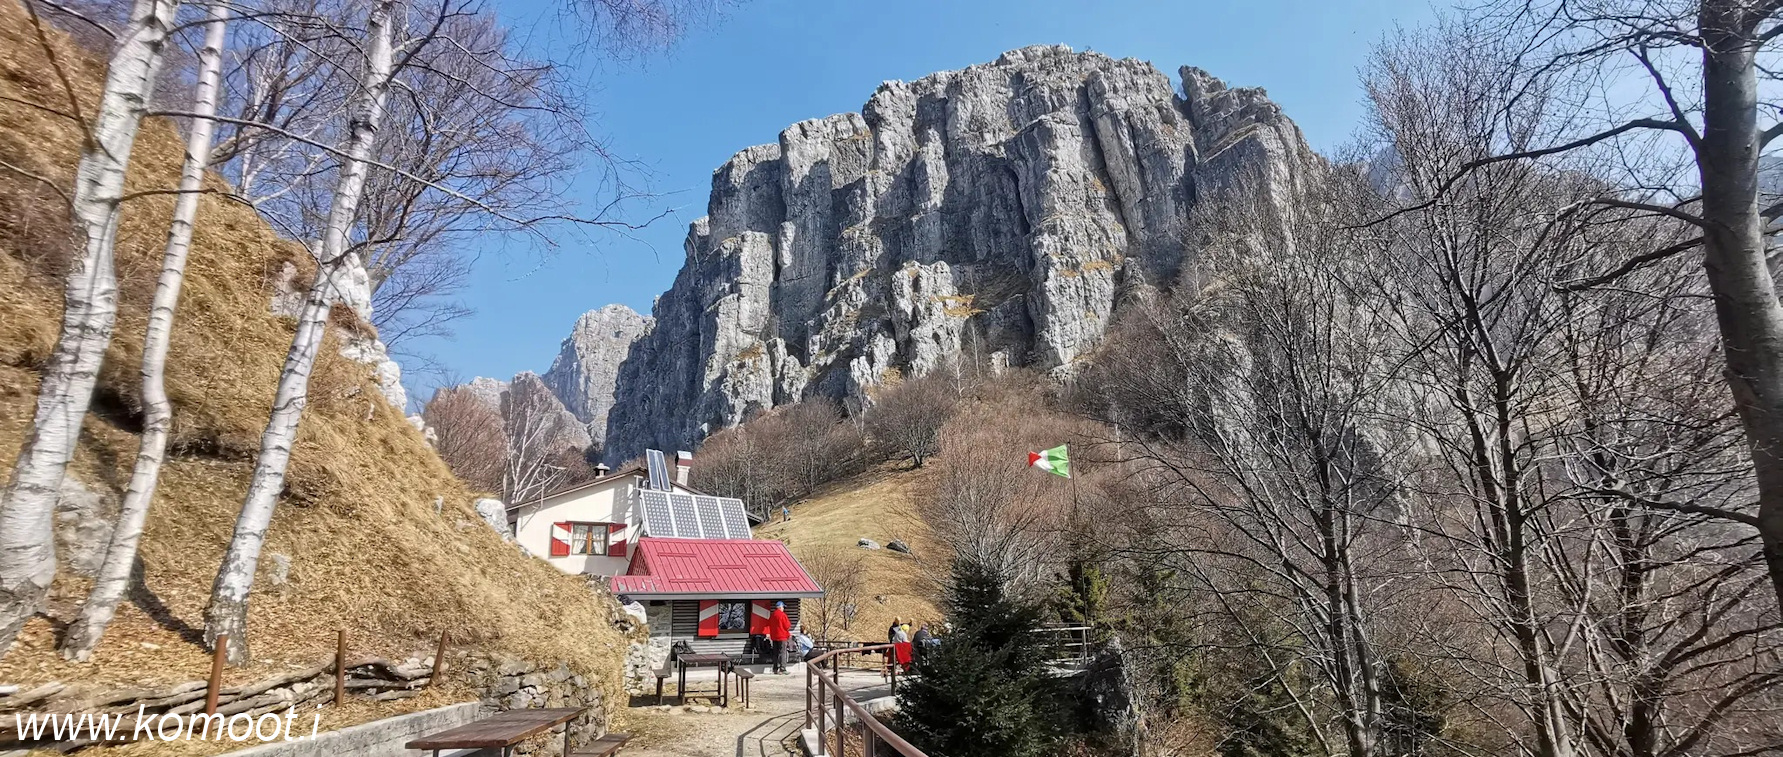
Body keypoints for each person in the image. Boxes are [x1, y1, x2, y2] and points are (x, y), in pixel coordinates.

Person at [767, 601, 793, 674]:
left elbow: (769, 624)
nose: (783, 609)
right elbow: (787, 626)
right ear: (780, 607)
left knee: (775, 653)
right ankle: (783, 668)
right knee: (783, 652)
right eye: (783, 607)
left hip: (774, 637)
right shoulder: (783, 615)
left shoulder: (772, 615)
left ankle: (775, 668)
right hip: (782, 637)